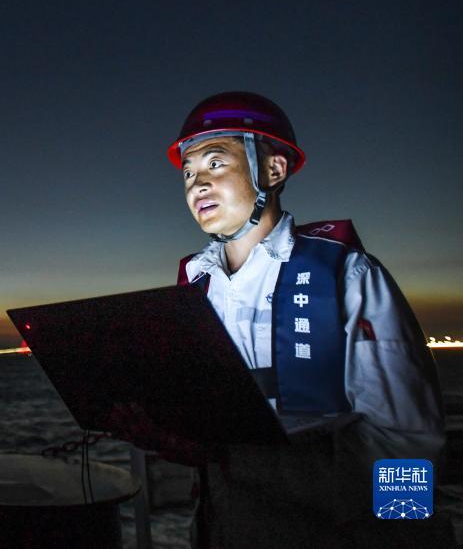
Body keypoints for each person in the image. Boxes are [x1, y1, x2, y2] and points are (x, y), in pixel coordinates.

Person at [111, 91, 448, 546]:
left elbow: (409, 439)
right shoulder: (195, 289)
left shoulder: (345, 276)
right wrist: (173, 437)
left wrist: (401, 529)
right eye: (188, 173)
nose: (197, 184)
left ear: (273, 169)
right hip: (225, 527)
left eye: (215, 163)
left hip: (332, 534)